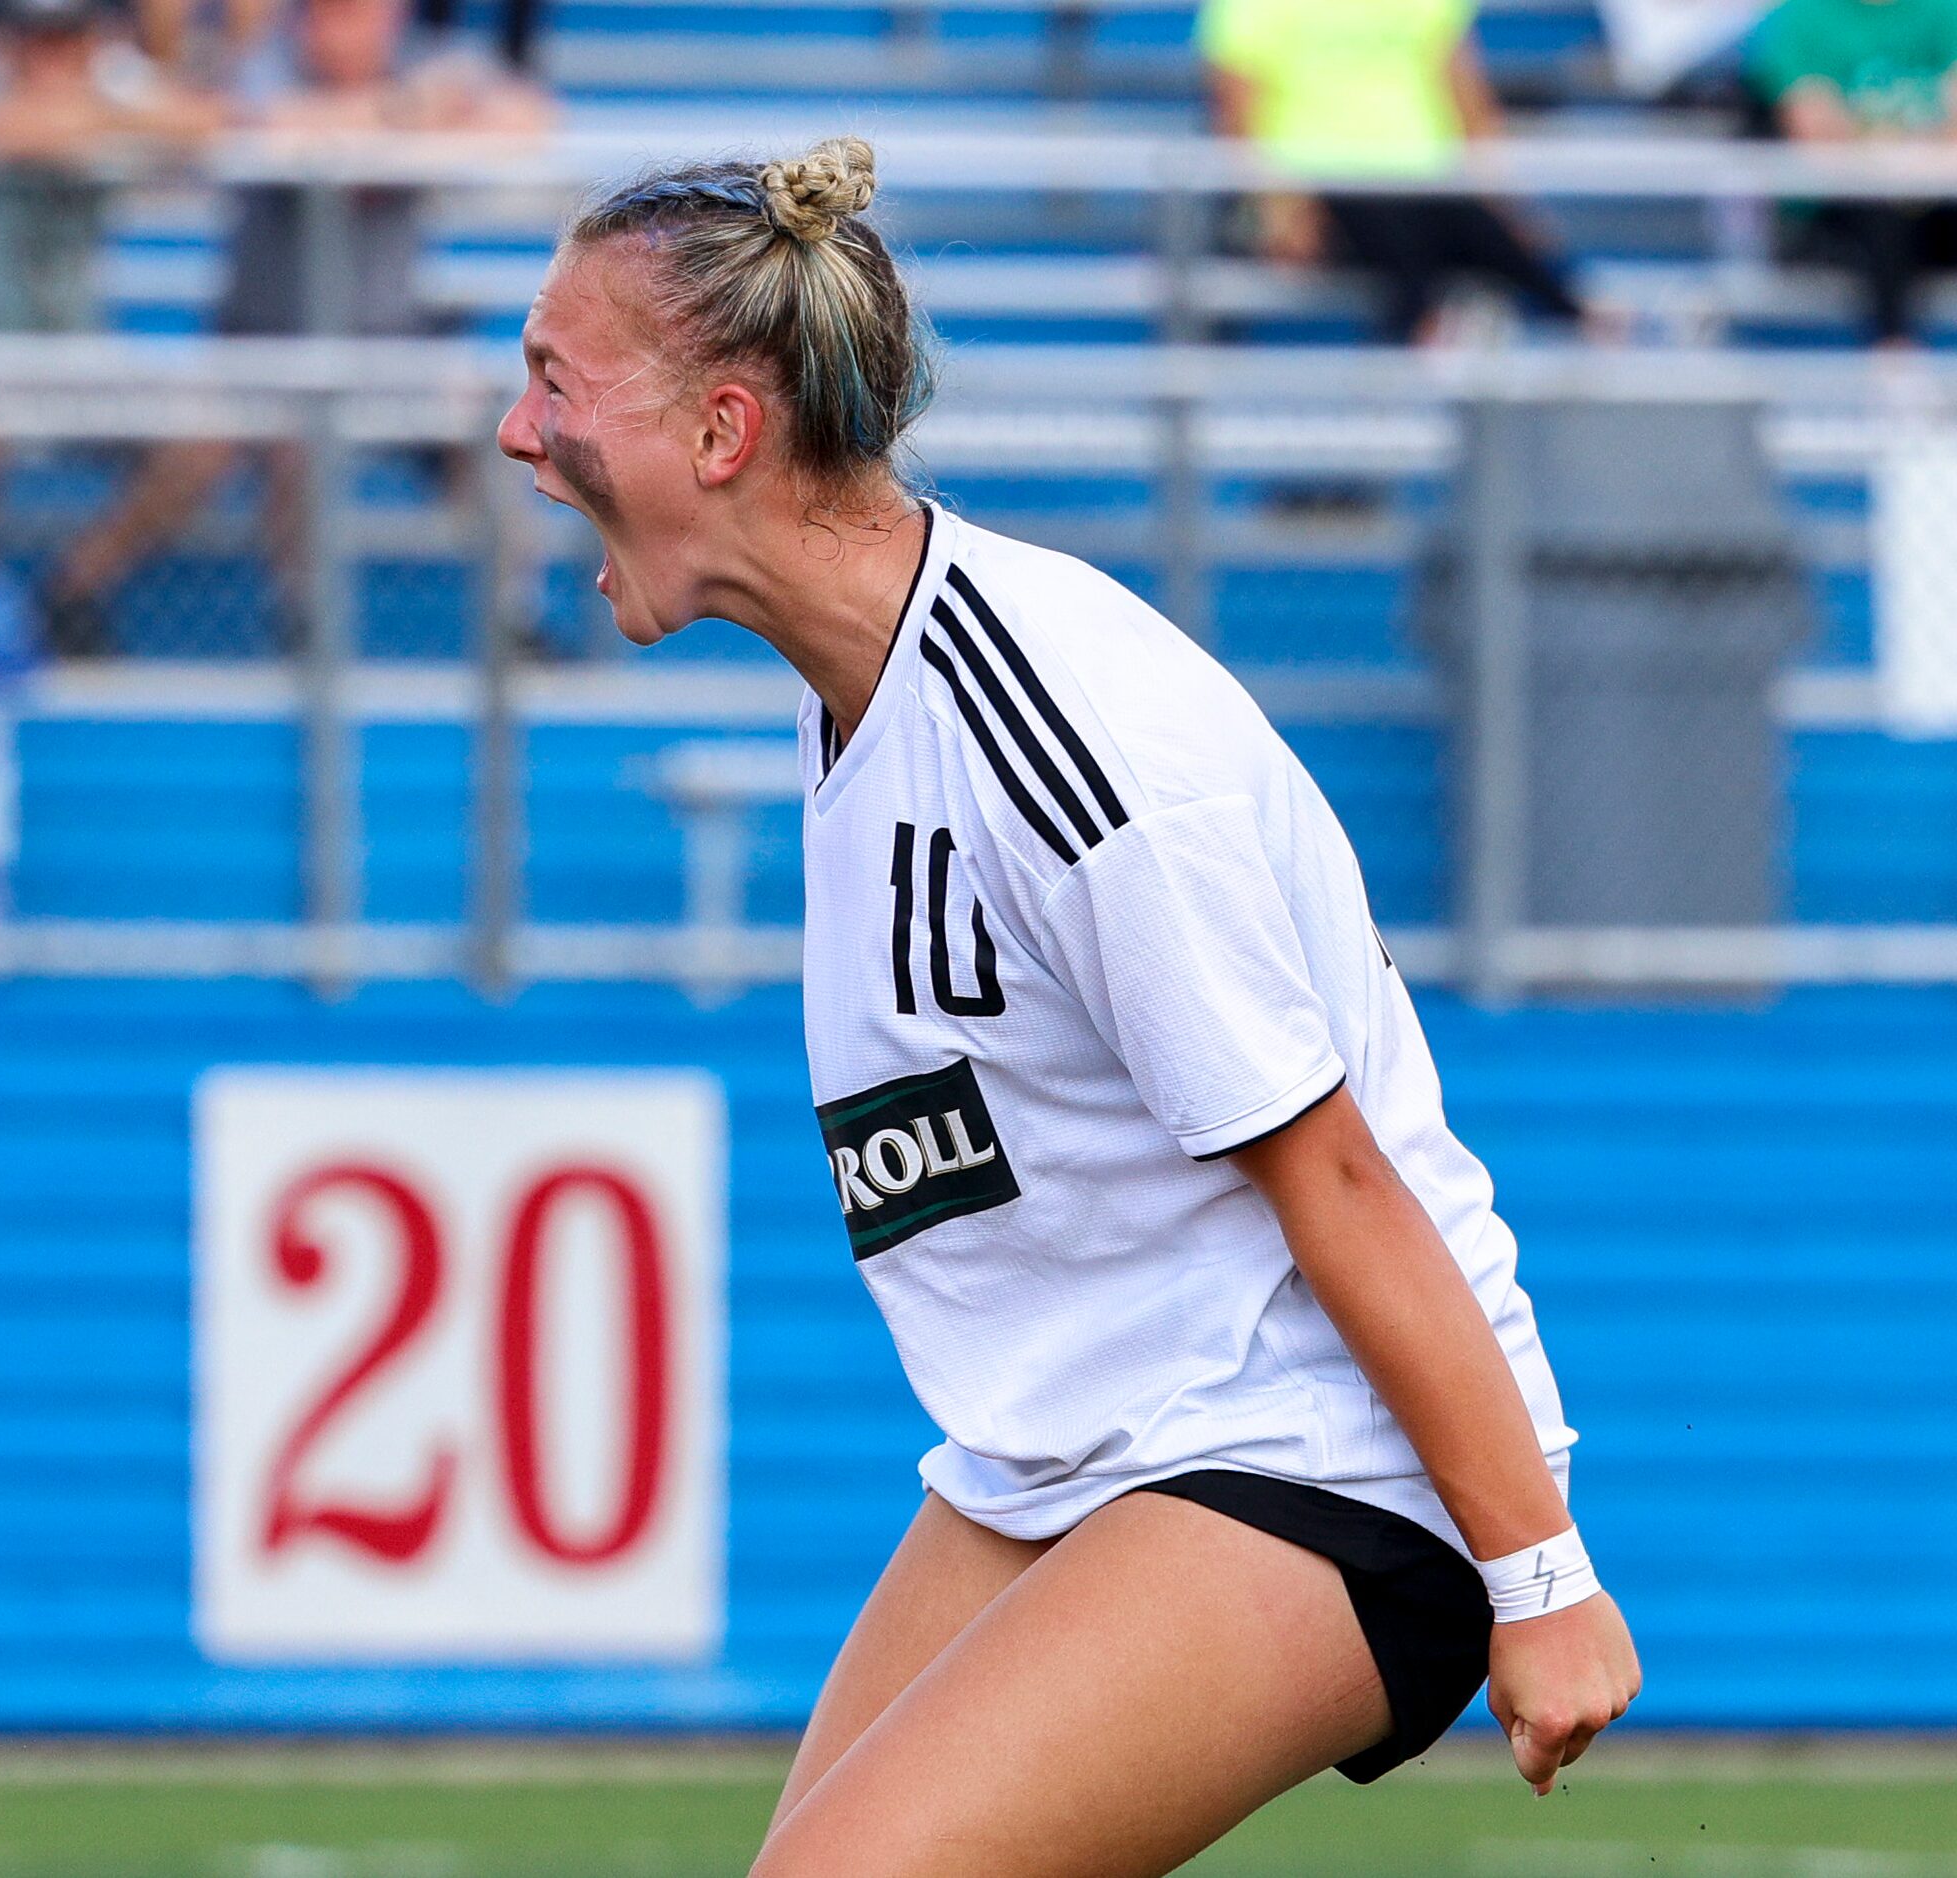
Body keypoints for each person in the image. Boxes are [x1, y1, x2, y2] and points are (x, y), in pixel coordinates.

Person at [497, 137, 1640, 1876]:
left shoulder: (1057, 725)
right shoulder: (862, 704)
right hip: (1065, 1453)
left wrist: (1540, 1573)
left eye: (553, 382)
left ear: (724, 433)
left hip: (1318, 1453)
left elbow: (1333, 1171)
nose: (520, 436)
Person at [46, 0, 547, 655]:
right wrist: (402, 117)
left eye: (357, 14)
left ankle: (517, 621)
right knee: (262, 434)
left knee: (493, 424)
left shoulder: (430, 61)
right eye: (325, 14)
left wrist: (378, 123)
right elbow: (268, 126)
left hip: (394, 342)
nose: (337, 29)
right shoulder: (269, 61)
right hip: (263, 342)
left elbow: (529, 121)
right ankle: (83, 590)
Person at [0, 0, 217, 612]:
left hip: (76, 350)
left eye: (65, 38)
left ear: (91, 41)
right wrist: (107, 121)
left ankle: (70, 594)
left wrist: (95, 116)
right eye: (35, 38)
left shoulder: (111, 92)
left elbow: (210, 122)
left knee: (202, 439)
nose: (49, 54)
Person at [1200, 0, 1591, 344]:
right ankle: (1567, 313)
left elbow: (1470, 105)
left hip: (1421, 191)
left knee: (1456, 216)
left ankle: (1562, 314)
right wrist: (1279, 209)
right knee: (1383, 204)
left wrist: (1505, 203)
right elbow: (1237, 117)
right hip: (1318, 194)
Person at [1749, 0, 1957, 345]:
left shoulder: (1943, 11)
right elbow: (1818, 135)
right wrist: (1908, 155)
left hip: (1933, 204)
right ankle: (1894, 361)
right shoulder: (1799, 18)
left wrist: (1891, 155)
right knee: (1883, 211)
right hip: (1837, 215)